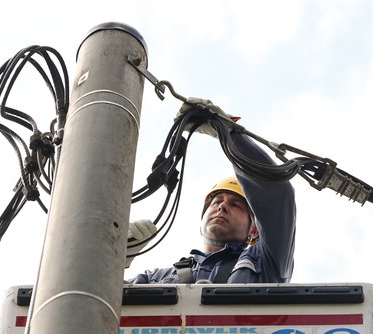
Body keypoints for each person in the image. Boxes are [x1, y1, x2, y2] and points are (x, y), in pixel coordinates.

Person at [126, 110, 296, 284]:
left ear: (254, 230)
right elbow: (101, 302)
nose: (222, 207)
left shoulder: (267, 262)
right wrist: (116, 257)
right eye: (216, 202)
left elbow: (274, 194)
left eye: (236, 204)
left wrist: (229, 134)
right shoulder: (156, 278)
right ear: (201, 222)